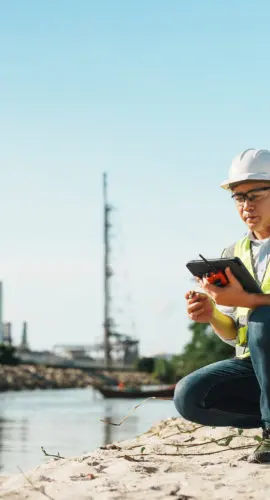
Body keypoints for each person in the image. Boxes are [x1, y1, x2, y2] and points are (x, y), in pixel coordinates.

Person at [174, 148, 270, 463]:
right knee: (189, 397)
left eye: (255, 194)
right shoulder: (234, 251)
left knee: (263, 318)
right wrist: (213, 313)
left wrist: (250, 301)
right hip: (256, 367)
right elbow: (236, 333)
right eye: (239, 197)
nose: (247, 206)